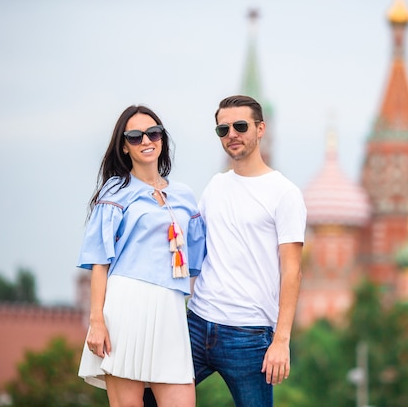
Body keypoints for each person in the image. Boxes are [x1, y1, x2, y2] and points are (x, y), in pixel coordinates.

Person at [76, 105, 206, 407]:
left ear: (162, 138)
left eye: (153, 133)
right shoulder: (115, 192)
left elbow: (197, 263)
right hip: (126, 307)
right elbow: (100, 261)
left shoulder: (185, 195)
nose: (146, 140)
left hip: (171, 309)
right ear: (124, 145)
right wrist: (97, 321)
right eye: (135, 136)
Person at [186, 94, 307, 407]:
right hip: (197, 324)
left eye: (240, 126)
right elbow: (193, 249)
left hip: (249, 334)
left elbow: (292, 269)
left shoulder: (284, 193)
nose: (232, 135)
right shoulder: (215, 186)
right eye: (223, 130)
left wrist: (281, 340)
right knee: (148, 396)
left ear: (261, 128)